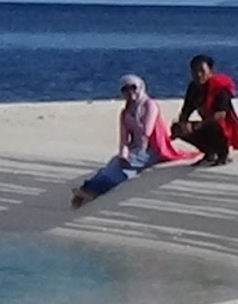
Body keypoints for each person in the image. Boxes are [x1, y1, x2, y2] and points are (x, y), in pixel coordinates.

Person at [71, 74, 195, 208]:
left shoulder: (149, 105)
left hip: (152, 149)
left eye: (133, 88)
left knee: (123, 167)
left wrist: (135, 117)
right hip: (135, 148)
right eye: (125, 89)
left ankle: (94, 190)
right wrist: (123, 154)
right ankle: (88, 189)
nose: (130, 92)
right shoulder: (125, 112)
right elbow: (124, 139)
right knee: (114, 164)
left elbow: (146, 132)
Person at [171, 54, 238, 166]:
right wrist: (182, 125)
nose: (198, 75)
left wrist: (197, 125)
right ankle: (209, 153)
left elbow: (221, 114)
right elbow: (186, 109)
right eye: (195, 71)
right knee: (180, 129)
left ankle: (223, 155)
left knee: (214, 127)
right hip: (206, 122)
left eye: (202, 71)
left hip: (223, 126)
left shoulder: (220, 87)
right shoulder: (193, 87)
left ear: (210, 71)